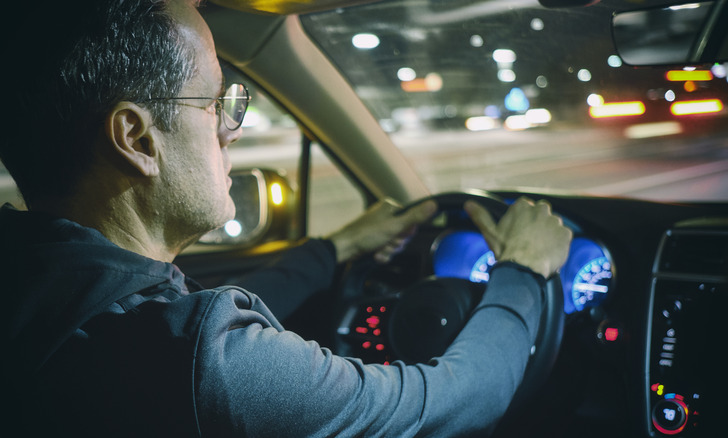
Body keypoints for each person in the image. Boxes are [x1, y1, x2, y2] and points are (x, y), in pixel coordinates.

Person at [0, 0, 573, 436]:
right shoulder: (208, 366)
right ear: (137, 138)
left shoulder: (42, 284)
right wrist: (523, 271)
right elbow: (450, 399)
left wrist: (334, 249)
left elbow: (182, 320)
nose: (232, 128)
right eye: (214, 103)